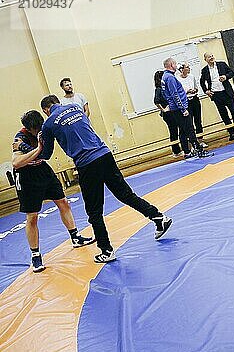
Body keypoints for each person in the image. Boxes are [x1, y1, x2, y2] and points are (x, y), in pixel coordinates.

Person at [38, 95, 173, 263]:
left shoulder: (49, 123)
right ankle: (159, 217)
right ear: (58, 102)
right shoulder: (76, 108)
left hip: (87, 163)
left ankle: (106, 250)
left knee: (94, 211)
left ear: (45, 110)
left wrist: (39, 142)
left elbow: (46, 154)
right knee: (126, 195)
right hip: (104, 154)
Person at [11, 110, 95, 272]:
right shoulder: (19, 138)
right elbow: (16, 163)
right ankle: (35, 255)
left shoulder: (45, 129)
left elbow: (46, 155)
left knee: (63, 202)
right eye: (35, 129)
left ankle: (75, 237)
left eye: (39, 127)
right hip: (27, 177)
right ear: (28, 129)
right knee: (32, 217)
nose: (38, 131)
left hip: (43, 170)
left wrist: (35, 150)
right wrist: (37, 150)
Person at [161, 57, 208, 157]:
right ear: (171, 65)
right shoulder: (170, 78)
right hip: (179, 108)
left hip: (176, 107)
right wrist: (183, 109)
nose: (177, 66)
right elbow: (174, 94)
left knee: (183, 130)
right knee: (189, 129)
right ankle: (198, 149)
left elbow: (166, 94)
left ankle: (187, 152)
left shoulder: (165, 77)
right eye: (175, 64)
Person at [199, 52, 234, 141]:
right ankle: (231, 133)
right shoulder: (204, 70)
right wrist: (206, 91)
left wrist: (226, 76)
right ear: (205, 60)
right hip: (216, 95)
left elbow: (231, 72)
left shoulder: (222, 64)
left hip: (226, 92)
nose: (211, 57)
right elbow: (202, 82)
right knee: (224, 115)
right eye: (209, 57)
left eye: (212, 55)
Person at [153, 70, 183, 158]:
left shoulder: (165, 88)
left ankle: (181, 148)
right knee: (173, 131)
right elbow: (156, 101)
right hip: (168, 114)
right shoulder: (159, 89)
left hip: (173, 112)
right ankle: (176, 151)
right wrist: (163, 109)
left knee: (179, 129)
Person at [176, 62, 203, 136]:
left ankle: (201, 139)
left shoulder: (191, 76)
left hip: (195, 99)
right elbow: (177, 93)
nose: (189, 68)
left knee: (198, 120)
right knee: (189, 122)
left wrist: (195, 90)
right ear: (182, 69)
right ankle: (193, 141)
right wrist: (187, 92)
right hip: (186, 101)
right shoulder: (177, 79)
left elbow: (196, 87)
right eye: (187, 67)